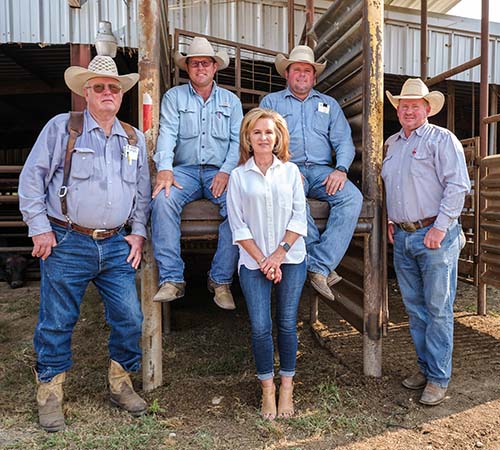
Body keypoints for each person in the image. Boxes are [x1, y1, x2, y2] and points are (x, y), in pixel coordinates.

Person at [18, 55, 151, 431]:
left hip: (114, 245)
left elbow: (142, 193)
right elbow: (31, 181)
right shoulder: (63, 128)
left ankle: (120, 383)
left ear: (121, 94)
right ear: (86, 93)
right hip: (66, 240)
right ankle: (50, 392)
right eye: (99, 87)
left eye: (113, 87)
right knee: (57, 321)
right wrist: (39, 228)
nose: (108, 92)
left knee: (130, 317)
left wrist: (138, 232)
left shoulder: (133, 137)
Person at [382, 78, 470, 406]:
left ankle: (438, 377)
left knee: (437, 309)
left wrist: (441, 228)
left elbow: (457, 186)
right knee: (415, 310)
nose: (408, 110)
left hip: (435, 235)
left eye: (414, 105)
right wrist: (392, 219)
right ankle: (425, 367)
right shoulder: (391, 143)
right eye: (403, 105)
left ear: (427, 108)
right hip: (404, 235)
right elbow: (393, 186)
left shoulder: (441, 140)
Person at [260, 45, 363, 301]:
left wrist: (340, 170)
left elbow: (343, 142)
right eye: (297, 70)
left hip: (322, 171)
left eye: (307, 71)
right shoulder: (271, 102)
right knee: (295, 203)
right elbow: (263, 141)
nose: (302, 75)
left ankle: (318, 264)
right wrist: (285, 168)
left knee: (352, 198)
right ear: (287, 74)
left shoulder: (329, 104)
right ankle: (319, 264)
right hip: (285, 169)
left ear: (314, 77)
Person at [227, 108, 307, 420]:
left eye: (269, 132)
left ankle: (287, 387)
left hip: (290, 259)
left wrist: (278, 255)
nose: (263, 137)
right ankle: (267, 390)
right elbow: (238, 225)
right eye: (257, 132)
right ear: (248, 137)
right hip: (252, 262)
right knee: (261, 327)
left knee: (287, 323)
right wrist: (263, 260)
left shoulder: (290, 172)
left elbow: (299, 218)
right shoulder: (238, 176)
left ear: (278, 139)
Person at [151, 37, 243, 310]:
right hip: (185, 171)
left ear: (215, 67)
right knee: (162, 200)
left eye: (205, 62)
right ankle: (172, 279)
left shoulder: (231, 101)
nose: (200, 67)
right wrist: (165, 168)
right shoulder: (174, 97)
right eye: (194, 63)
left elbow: (238, 142)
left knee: (239, 208)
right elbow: (166, 133)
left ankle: (220, 280)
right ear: (187, 68)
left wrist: (227, 172)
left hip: (220, 171)